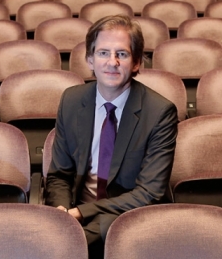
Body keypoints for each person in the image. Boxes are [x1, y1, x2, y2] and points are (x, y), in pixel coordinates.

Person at [45, 15, 178, 258]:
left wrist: (80, 214)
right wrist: (62, 212)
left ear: (136, 63)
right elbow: (59, 175)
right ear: (90, 60)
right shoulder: (71, 101)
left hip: (128, 216)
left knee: (64, 248)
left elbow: (148, 193)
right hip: (75, 211)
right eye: (103, 53)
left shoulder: (160, 112)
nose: (112, 62)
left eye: (122, 54)